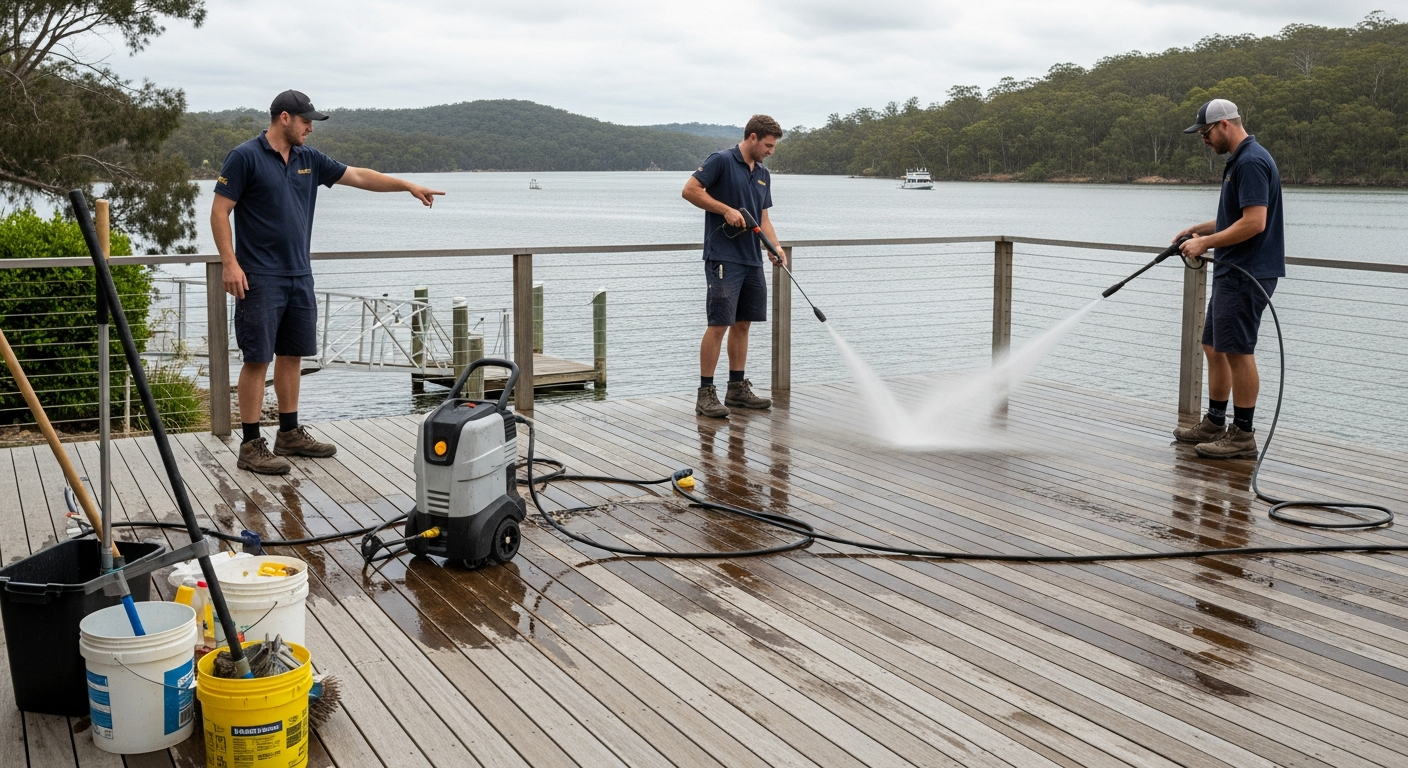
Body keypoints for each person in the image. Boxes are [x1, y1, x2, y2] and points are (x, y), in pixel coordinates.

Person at [212, 90, 444, 475]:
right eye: (306, 121)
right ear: (284, 118)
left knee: (292, 354)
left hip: (299, 274)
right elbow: (220, 213)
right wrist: (230, 265)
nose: (310, 128)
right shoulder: (244, 157)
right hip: (259, 276)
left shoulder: (308, 159)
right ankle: (251, 444)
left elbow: (358, 176)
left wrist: (407, 186)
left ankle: (288, 434)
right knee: (257, 358)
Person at [1172, 98, 1284, 459]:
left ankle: (1243, 434)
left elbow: (1255, 223)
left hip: (1247, 273)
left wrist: (1204, 243)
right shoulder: (1240, 160)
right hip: (1232, 271)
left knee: (1238, 351)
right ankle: (1216, 421)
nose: (1204, 140)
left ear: (1224, 125)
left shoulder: (1251, 161)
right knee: (1214, 346)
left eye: (1205, 133)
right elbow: (1236, 217)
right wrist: (1198, 229)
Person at [681, 114, 787, 418]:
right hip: (724, 256)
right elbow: (689, 190)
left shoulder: (764, 174)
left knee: (743, 323)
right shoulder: (721, 161)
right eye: (768, 145)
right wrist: (725, 209)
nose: (771, 150)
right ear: (752, 138)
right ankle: (705, 394)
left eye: (773, 146)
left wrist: (775, 247)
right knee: (719, 324)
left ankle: (737, 389)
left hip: (752, 258)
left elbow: (763, 219)